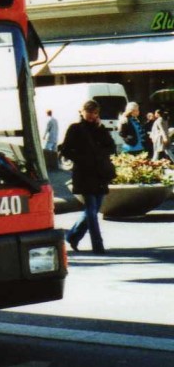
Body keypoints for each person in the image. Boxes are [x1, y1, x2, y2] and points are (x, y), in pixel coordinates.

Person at [58, 99, 115, 254]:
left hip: (99, 174)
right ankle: (98, 244)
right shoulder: (75, 128)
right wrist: (82, 159)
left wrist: (100, 130)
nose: (92, 115)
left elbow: (111, 147)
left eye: (95, 112)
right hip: (84, 173)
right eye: (89, 112)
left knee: (94, 210)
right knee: (91, 209)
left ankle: (72, 236)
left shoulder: (100, 129)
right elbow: (65, 150)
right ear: (82, 112)